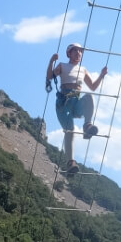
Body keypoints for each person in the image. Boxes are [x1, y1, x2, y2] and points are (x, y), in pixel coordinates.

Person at [46, 43, 107, 174]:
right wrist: (51, 61)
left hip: (76, 102)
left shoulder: (83, 69)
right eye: (76, 51)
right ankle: (70, 162)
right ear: (69, 53)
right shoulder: (63, 65)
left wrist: (101, 75)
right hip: (63, 102)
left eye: (80, 52)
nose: (78, 53)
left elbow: (93, 87)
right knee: (70, 130)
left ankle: (87, 126)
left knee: (89, 97)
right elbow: (50, 77)